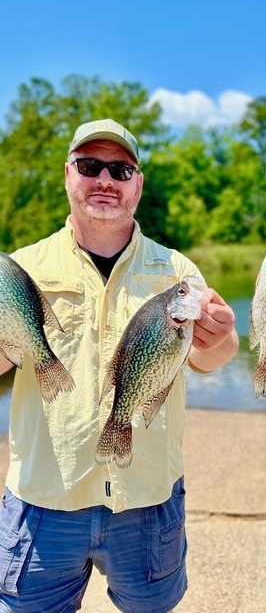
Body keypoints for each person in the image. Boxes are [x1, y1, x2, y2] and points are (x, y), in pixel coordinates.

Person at [0, 118, 238, 613]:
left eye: (121, 169)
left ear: (138, 183)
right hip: (45, 498)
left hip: (147, 496)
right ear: (68, 174)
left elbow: (211, 358)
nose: (105, 180)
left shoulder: (179, 272)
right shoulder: (22, 267)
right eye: (90, 166)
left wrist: (220, 337)